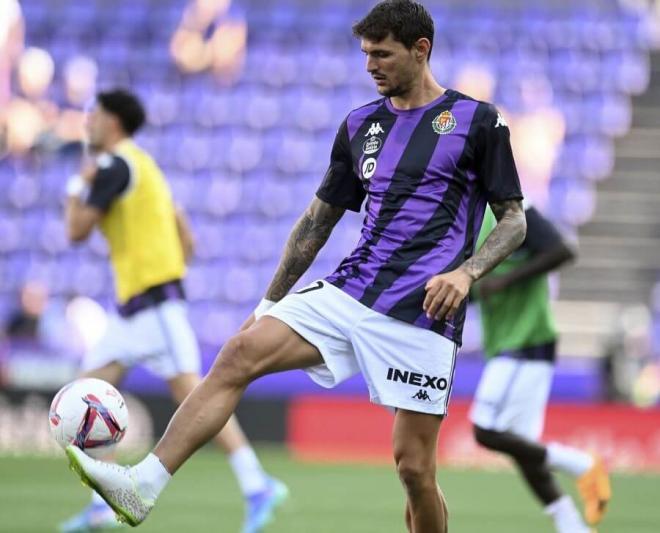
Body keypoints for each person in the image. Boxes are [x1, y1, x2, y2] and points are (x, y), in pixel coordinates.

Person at [64, 2, 527, 532]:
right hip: (351, 290)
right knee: (238, 353)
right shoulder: (360, 126)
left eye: (382, 54)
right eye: (365, 55)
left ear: (421, 50)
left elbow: (513, 221)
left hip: (422, 314)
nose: (371, 65)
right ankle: (143, 484)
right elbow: (315, 223)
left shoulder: (477, 121)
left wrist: (466, 273)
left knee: (414, 468)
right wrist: (267, 305)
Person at [61, 88, 287, 533]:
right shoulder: (146, 167)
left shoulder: (112, 165)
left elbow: (75, 231)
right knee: (84, 398)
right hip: (135, 310)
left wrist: (76, 183)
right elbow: (188, 237)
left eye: (95, 114)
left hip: (153, 308)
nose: (88, 121)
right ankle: (100, 505)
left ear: (113, 122)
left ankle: (257, 483)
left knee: (198, 397)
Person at [470, 204, 611, 532]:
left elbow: (563, 250)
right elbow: (475, 290)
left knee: (485, 429)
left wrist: (505, 283)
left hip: (527, 337)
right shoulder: (463, 223)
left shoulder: (513, 209)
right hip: (504, 339)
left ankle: (582, 464)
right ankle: (572, 526)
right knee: (522, 447)